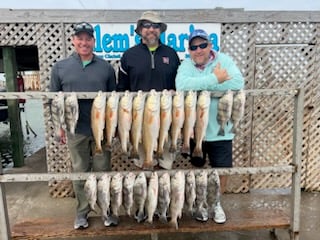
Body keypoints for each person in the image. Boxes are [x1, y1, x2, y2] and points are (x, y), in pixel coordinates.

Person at [50, 22, 116, 229]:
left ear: (94, 41)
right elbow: (53, 101)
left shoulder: (106, 67)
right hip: (75, 130)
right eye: (80, 38)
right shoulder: (59, 67)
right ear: (73, 40)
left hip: (101, 131)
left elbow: (113, 101)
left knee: (103, 171)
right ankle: (82, 212)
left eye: (88, 38)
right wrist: (59, 127)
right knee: (79, 172)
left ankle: (106, 210)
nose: (84, 42)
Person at [175, 29, 244, 224]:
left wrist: (200, 85)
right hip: (195, 130)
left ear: (210, 45)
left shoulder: (224, 60)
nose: (198, 50)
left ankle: (216, 203)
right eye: (194, 47)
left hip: (221, 130)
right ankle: (200, 204)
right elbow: (181, 85)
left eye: (202, 45)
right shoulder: (186, 65)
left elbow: (238, 83)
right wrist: (216, 79)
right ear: (189, 50)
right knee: (197, 169)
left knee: (221, 171)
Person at [117, 11, 180, 169]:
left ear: (161, 30)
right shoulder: (129, 56)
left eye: (156, 26)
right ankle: (144, 191)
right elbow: (121, 89)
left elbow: (179, 86)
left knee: (165, 163)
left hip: (167, 116)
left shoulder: (171, 54)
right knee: (143, 163)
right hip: (139, 117)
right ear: (139, 29)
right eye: (146, 25)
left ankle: (162, 192)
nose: (151, 29)